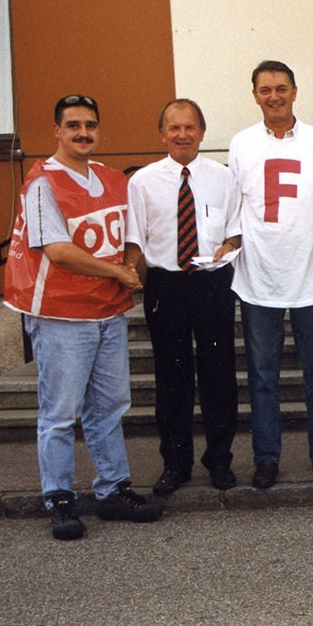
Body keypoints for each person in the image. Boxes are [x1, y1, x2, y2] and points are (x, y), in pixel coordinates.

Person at [3, 94, 161, 540]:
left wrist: (130, 267)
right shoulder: (41, 182)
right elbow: (57, 250)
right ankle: (59, 498)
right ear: (56, 130)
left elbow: (133, 236)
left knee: (109, 407)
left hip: (107, 311)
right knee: (58, 413)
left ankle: (112, 490)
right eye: (72, 125)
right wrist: (120, 273)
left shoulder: (113, 179)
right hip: (61, 315)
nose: (82, 132)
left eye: (89, 125)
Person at [227, 60, 313, 488]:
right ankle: (267, 458)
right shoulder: (241, 144)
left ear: (295, 91)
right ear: (255, 95)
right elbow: (233, 206)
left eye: (281, 88)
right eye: (265, 90)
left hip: (311, 275)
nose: (273, 96)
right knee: (262, 377)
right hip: (260, 277)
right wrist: (231, 245)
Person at [125, 99, 242, 495]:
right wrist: (149, 282)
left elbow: (234, 230)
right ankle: (176, 464)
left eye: (190, 127)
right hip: (166, 286)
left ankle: (220, 461)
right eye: (174, 128)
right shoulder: (142, 181)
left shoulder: (223, 177)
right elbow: (134, 242)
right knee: (171, 379)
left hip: (210, 283)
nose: (182, 135)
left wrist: (228, 246)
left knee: (219, 375)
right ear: (162, 134)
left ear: (202, 133)